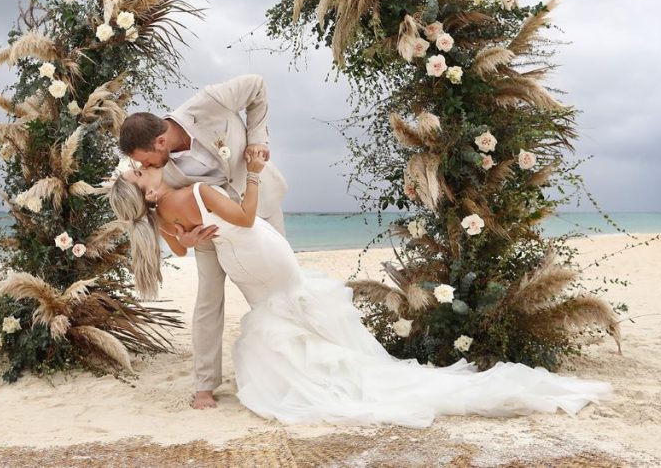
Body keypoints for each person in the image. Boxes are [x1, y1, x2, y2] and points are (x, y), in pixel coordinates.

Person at [108, 152, 612, 428]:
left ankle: (315, 372)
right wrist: (255, 177)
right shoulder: (192, 191)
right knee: (289, 306)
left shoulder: (157, 217)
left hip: (239, 260)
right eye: (140, 171)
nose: (143, 168)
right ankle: (331, 368)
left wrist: (193, 238)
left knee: (277, 314)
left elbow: (180, 250)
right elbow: (242, 216)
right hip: (257, 247)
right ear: (146, 187)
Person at [117, 74, 288, 409]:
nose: (143, 166)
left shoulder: (208, 103)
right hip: (210, 231)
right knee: (208, 300)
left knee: (279, 288)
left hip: (260, 208)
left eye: (145, 160)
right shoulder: (156, 175)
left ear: (161, 143)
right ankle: (205, 386)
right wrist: (185, 239)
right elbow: (152, 210)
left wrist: (257, 140)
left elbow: (257, 86)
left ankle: (285, 364)